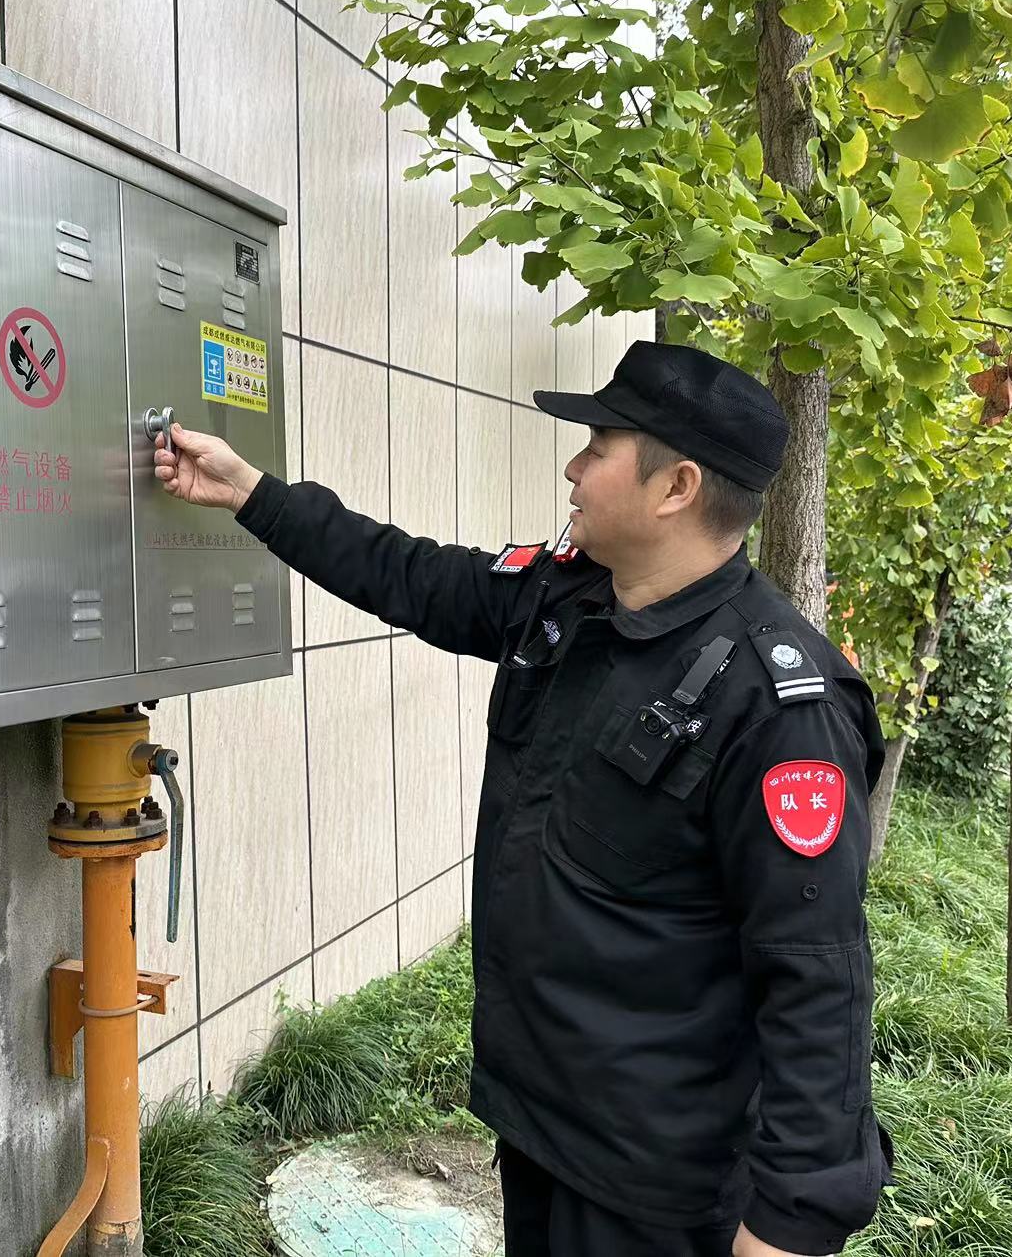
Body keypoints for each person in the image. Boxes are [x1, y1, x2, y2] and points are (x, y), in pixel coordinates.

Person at [152, 340, 891, 1257]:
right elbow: (410, 574)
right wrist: (250, 493)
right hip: (540, 1126)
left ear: (677, 487)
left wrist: (792, 1219)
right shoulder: (570, 600)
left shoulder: (777, 707)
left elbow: (815, 971)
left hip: (657, 1181)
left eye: (598, 448)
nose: (573, 467)